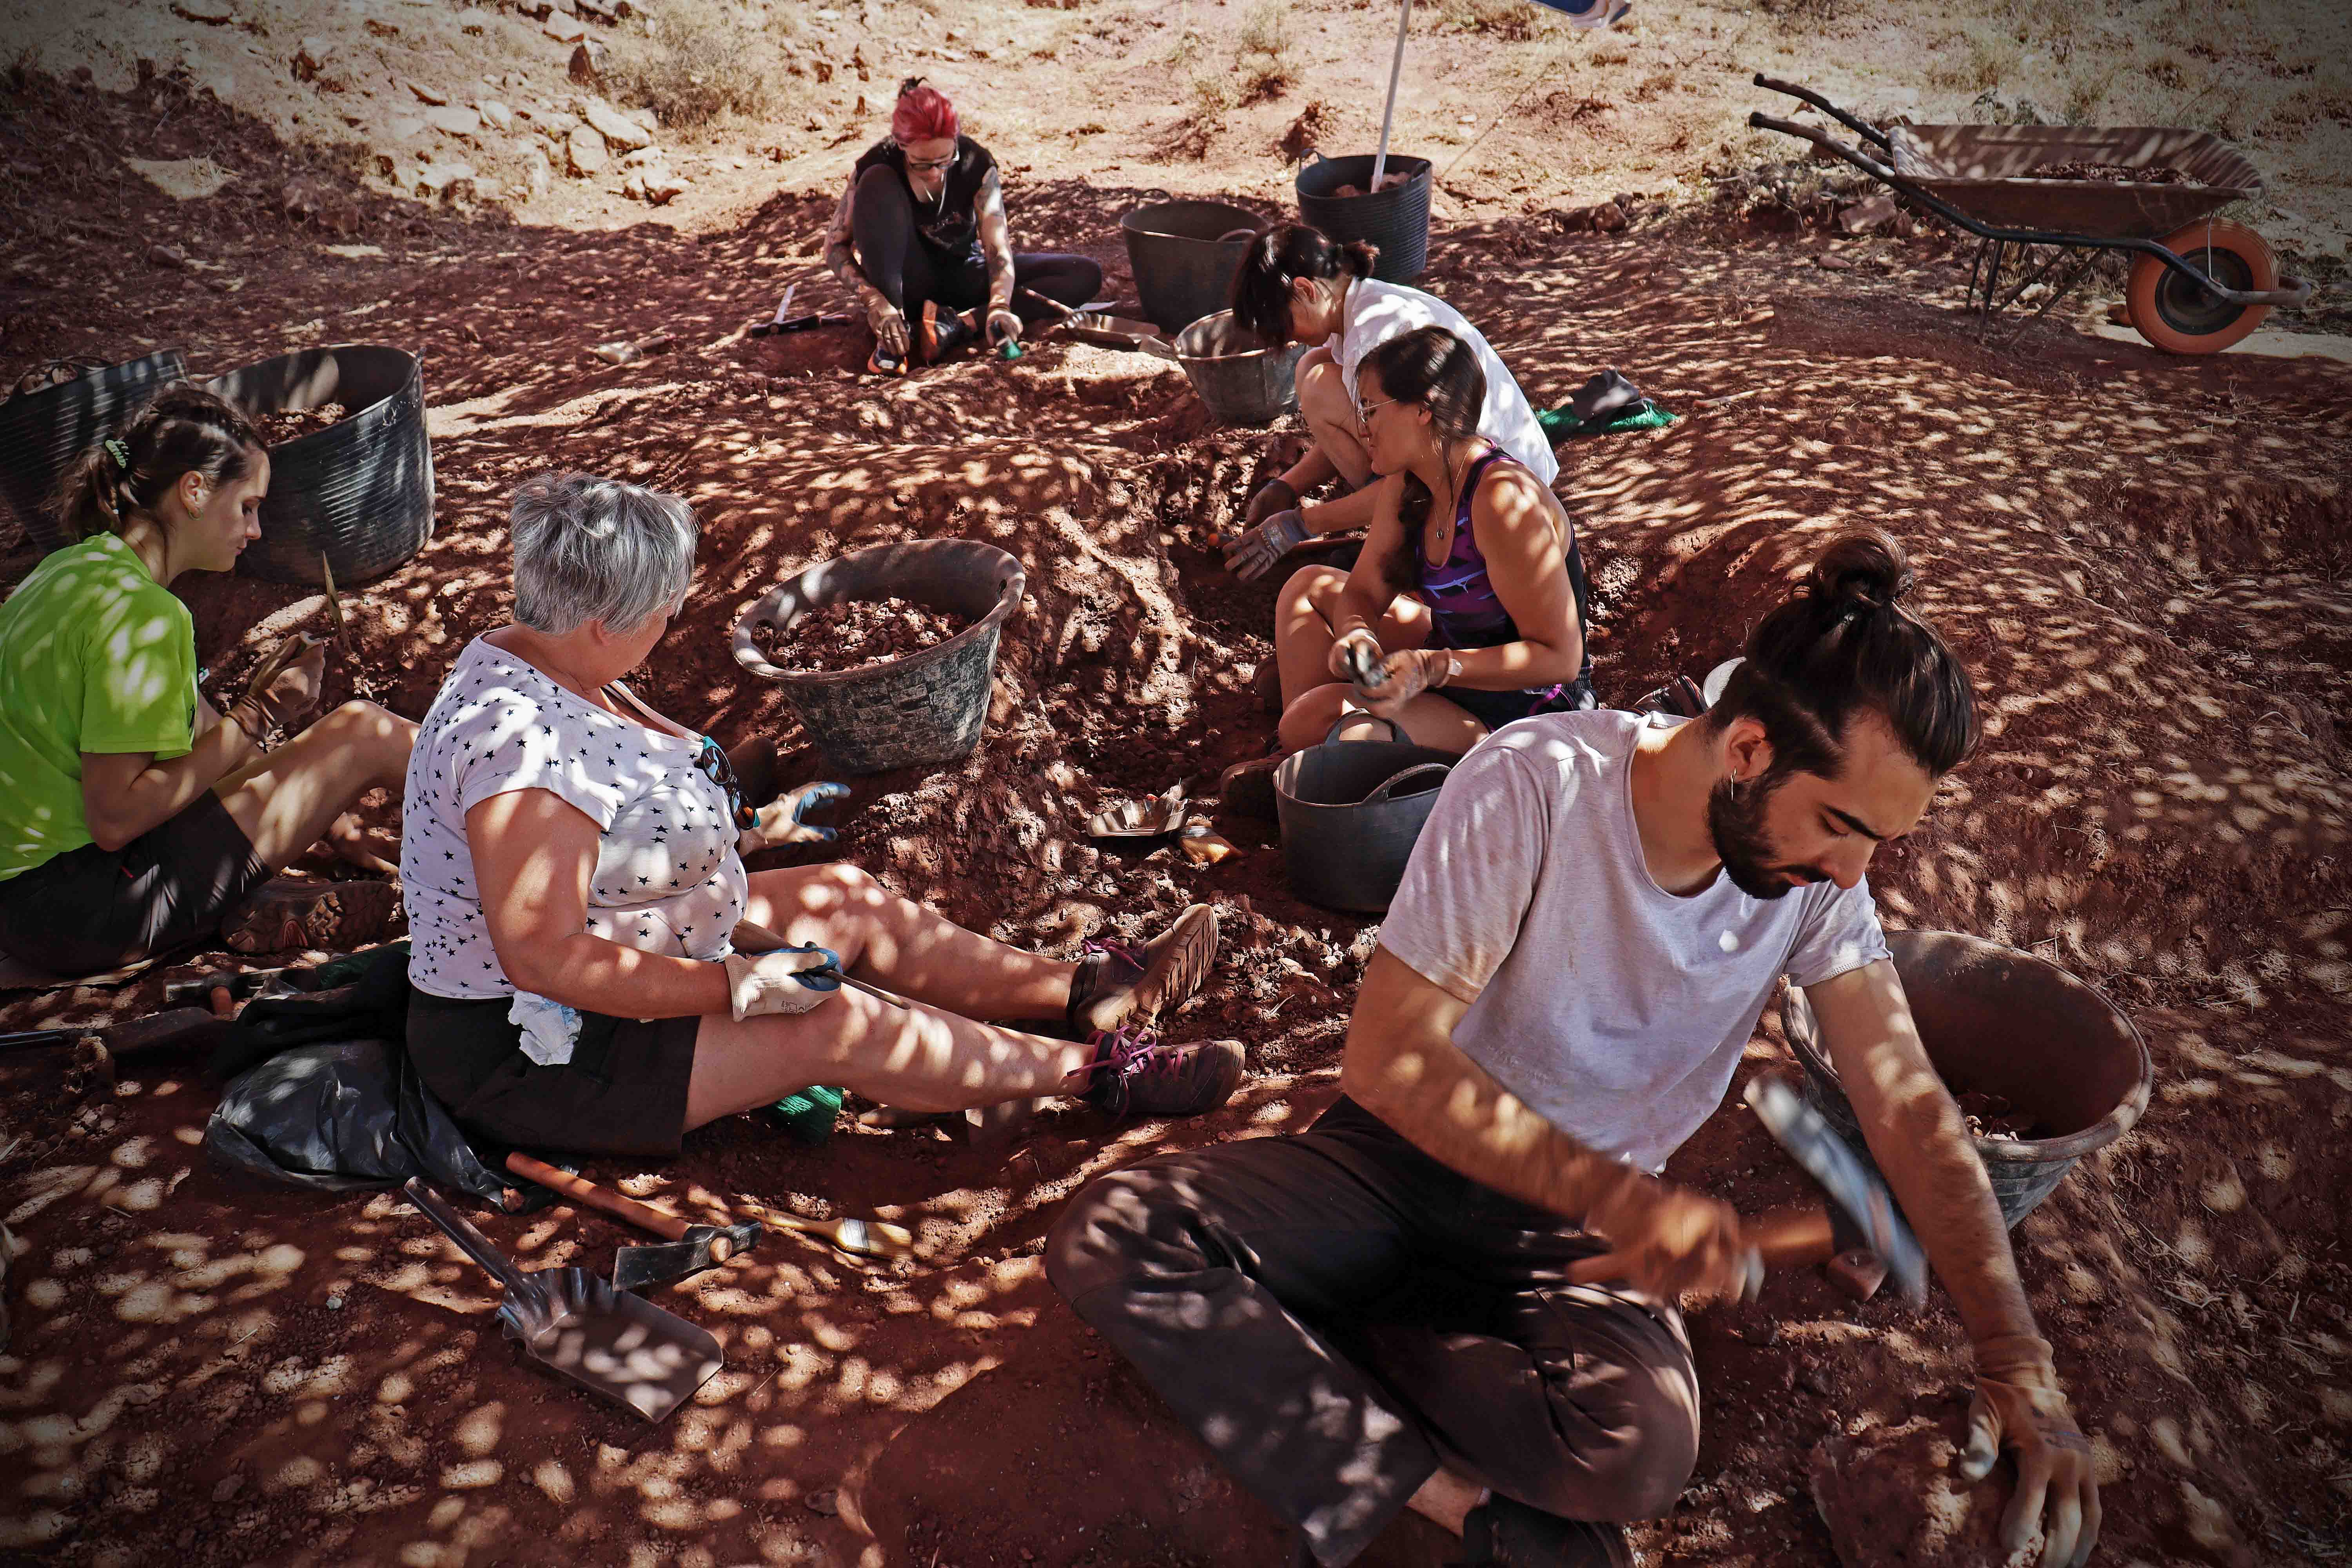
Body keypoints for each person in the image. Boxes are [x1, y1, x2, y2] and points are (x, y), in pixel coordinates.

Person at [1051, 531, 2102, 1568]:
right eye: (1840, 825)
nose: (1850, 869)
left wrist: (2018, 1357)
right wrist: (1626, 1202)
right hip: (1401, 1162)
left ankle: (1337, 1327)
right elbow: (1388, 1065)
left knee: (1636, 1454)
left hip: (1569, 1233)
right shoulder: (1536, 785)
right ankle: (1458, 1508)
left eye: (1875, 840)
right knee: (1117, 1232)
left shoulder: (1817, 884)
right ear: (1747, 750)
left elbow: (1909, 1108)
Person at [400, 472, 1243, 1160]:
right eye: (661, 614)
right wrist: (736, 985)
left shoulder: (551, 657)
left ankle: (1090, 991)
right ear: (597, 623)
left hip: (644, 947)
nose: (670, 624)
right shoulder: (518, 749)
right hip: (547, 1049)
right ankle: (1094, 1073)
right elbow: (545, 957)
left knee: (846, 896)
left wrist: (742, 849)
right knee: (828, 1014)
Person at [0, 385, 416, 976]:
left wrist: (326, 811)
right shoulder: (145, 615)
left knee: (346, 744)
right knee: (365, 730)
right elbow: (115, 819)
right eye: (247, 506)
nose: (255, 530)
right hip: (84, 910)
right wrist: (261, 715)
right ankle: (551, 823)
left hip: (25, 904)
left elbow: (202, 730)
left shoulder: (68, 570)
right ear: (193, 491)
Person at [1220, 325, 1593, 812]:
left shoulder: (1500, 500)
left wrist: (1432, 668)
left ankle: (1325, 769)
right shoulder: (1409, 482)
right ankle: (1308, 762)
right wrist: (1358, 637)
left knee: (1336, 726)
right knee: (1309, 588)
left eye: (1371, 408)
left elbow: (1559, 659)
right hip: (1456, 667)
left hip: (1526, 711)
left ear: (1423, 408)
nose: (1361, 427)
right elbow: (1363, 593)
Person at [1223, 224, 1557, 583]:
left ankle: (1411, 537)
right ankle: (1400, 530)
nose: (1289, 339)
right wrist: (1287, 487)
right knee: (1313, 368)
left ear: (1305, 290)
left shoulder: (1373, 337)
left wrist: (1301, 525)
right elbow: (1375, 437)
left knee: (1317, 379)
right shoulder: (1365, 310)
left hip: (1496, 495)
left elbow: (1408, 477)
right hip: (1468, 469)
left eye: (1284, 326)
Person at [822, 78, 1103, 376]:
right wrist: (876, 301)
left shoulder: (975, 163)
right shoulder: (877, 164)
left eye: (945, 161)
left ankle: (958, 325)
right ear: (902, 146)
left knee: (1082, 273)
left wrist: (999, 306)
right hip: (905, 286)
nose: (935, 173)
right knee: (877, 181)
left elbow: (998, 250)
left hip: (962, 277)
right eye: (922, 164)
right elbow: (834, 246)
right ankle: (895, 339)